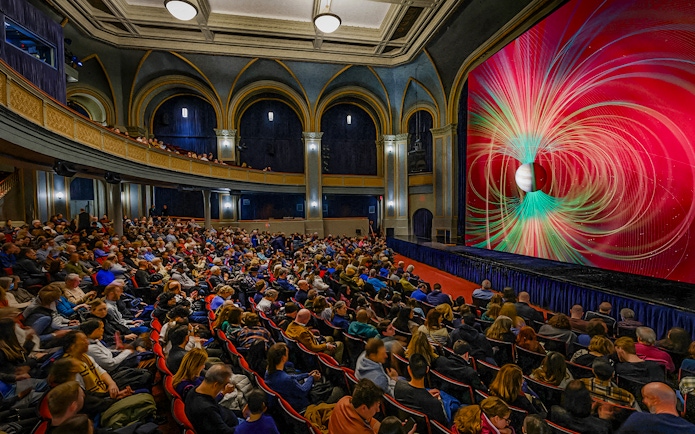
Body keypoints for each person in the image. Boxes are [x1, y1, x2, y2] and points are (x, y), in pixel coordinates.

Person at [616, 382, 695, 433]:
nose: (643, 401)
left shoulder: (639, 420)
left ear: (655, 400)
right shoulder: (692, 429)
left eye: (645, 397)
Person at [393, 353, 447, 425]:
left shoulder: (398, 386)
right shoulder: (434, 403)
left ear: (409, 369)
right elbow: (443, 424)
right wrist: (439, 401)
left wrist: (427, 395)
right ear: (427, 370)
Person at [264, 342, 320, 412]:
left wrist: (307, 375)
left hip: (287, 400)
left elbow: (292, 377)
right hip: (300, 405)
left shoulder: (268, 372)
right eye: (287, 353)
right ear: (283, 358)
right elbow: (303, 391)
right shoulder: (286, 379)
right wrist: (312, 378)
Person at [185, 363, 239, 434]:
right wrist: (248, 425)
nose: (224, 388)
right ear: (215, 385)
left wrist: (223, 393)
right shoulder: (207, 410)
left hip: (228, 417)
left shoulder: (194, 391)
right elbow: (226, 432)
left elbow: (212, 404)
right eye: (224, 385)